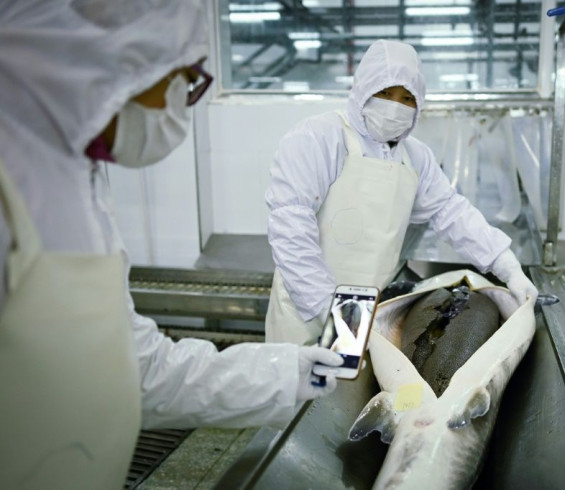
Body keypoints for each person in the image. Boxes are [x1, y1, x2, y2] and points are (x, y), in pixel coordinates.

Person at [0, 1, 341, 487]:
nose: (184, 103)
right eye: (186, 78)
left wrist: (285, 374)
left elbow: (137, 369)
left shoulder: (80, 179)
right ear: (119, 61)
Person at [265, 40, 538, 345]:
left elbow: (450, 212)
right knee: (305, 390)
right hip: (305, 315)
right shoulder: (318, 138)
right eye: (385, 93)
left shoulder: (415, 157)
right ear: (363, 90)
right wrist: (331, 311)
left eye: (407, 97)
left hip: (372, 313)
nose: (395, 105)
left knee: (354, 391)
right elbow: (291, 228)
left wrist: (508, 267)